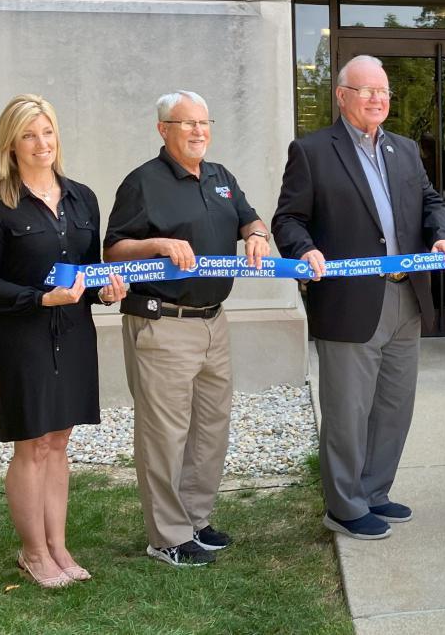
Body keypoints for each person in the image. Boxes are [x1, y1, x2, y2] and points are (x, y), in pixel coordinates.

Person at [273, 55, 445, 541]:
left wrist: (441, 236)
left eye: (384, 92)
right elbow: (287, 220)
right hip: (349, 302)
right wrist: (305, 249)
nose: (379, 99)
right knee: (348, 412)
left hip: (406, 299)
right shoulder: (312, 151)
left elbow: (432, 202)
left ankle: (375, 491)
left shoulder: (405, 149)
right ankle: (344, 505)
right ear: (341, 96)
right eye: (367, 90)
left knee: (394, 406)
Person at [105, 91, 270, 566]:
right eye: (186, 123)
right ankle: (167, 537)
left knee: (210, 429)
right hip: (164, 322)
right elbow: (112, 251)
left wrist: (256, 235)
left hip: (214, 321)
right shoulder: (142, 183)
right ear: (163, 130)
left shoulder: (220, 178)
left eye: (204, 122)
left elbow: (249, 217)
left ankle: (196, 520)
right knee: (165, 434)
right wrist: (157, 244)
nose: (199, 131)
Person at [0, 94, 126, 587]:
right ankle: (33, 553)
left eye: (48, 132)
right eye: (30, 135)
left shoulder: (82, 197)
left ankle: (58, 546)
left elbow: (90, 269)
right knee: (32, 444)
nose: (42, 144)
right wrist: (40, 299)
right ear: (11, 144)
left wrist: (106, 288)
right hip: (23, 336)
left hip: (75, 333)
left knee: (59, 441)